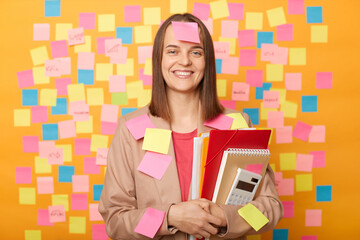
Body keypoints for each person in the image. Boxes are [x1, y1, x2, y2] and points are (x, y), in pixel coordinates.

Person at [99, 13, 283, 240]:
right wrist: (170, 218)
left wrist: (225, 218)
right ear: (159, 59)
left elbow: (270, 209)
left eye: (196, 52)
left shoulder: (237, 124)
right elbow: (115, 222)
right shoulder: (130, 129)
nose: (185, 61)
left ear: (208, 61)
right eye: (173, 51)